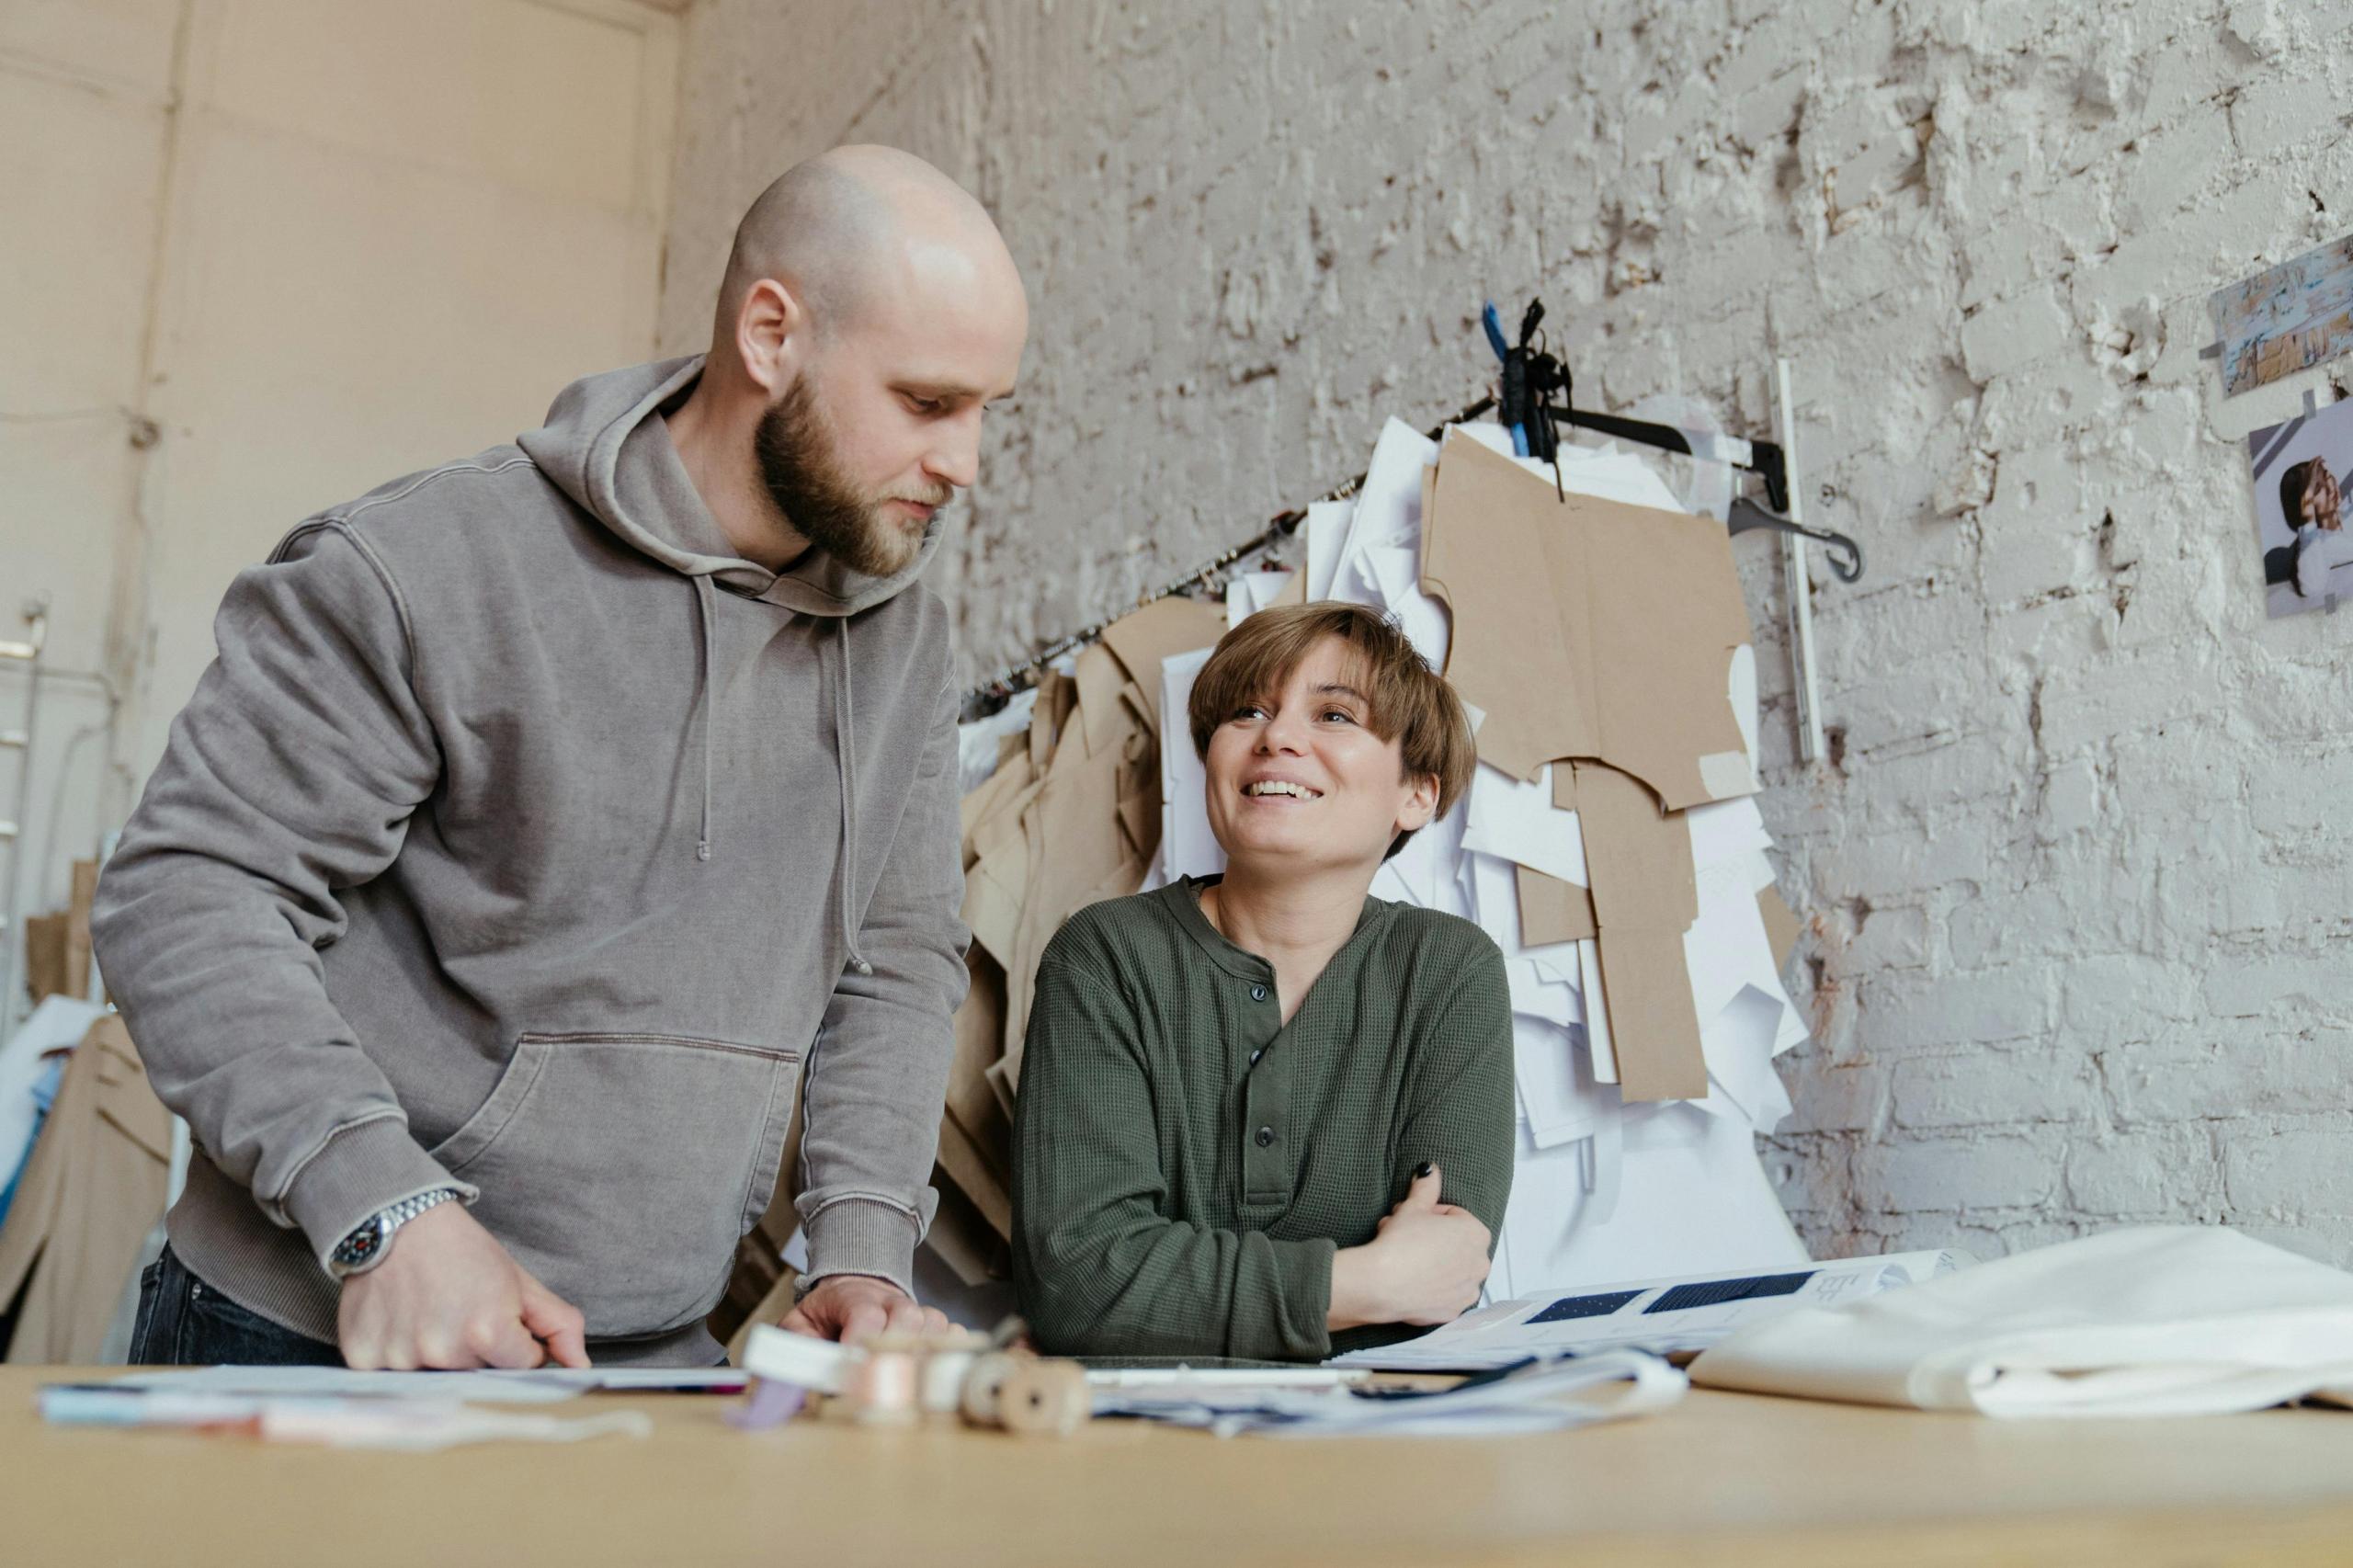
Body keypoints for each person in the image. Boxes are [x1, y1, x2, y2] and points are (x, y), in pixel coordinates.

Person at [91, 145, 1028, 1369]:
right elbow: (189, 891)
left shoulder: (902, 642)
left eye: (983, 413)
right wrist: (383, 1207)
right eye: (926, 403)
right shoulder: (431, 566)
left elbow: (893, 966)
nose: (965, 464)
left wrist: (859, 1248)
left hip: (650, 1350)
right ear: (770, 334)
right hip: (313, 1319)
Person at [1010, 603, 1513, 1360]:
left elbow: (1442, 1279)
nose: (1277, 737)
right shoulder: (1105, 956)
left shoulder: (1448, 973)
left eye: (1336, 715)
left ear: (1417, 794)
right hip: (1141, 1451)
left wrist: (1180, 1288)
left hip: (1385, 1446)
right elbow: (1077, 1284)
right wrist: (1359, 1285)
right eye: (1248, 712)